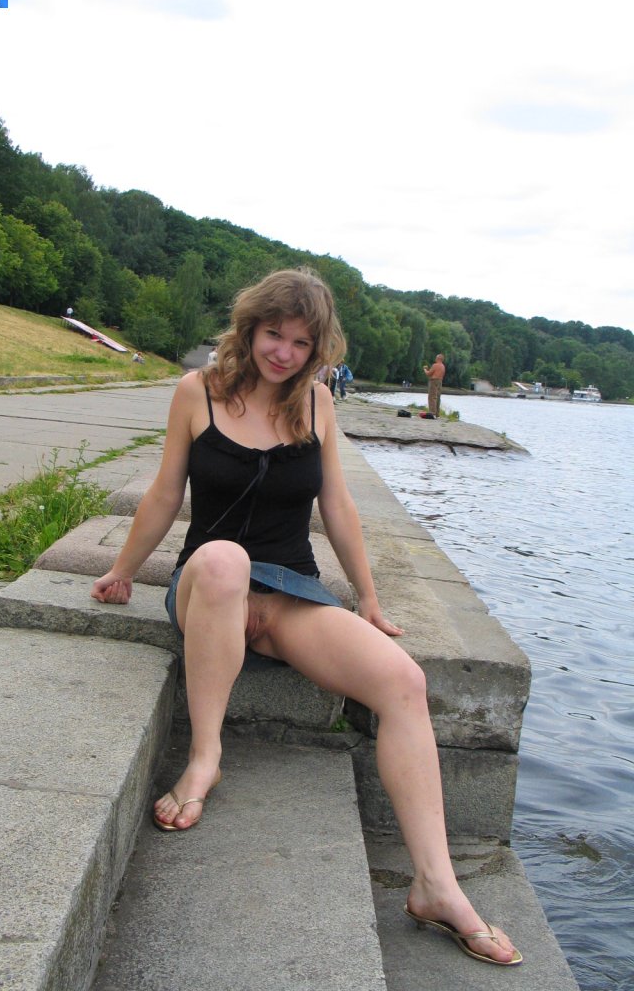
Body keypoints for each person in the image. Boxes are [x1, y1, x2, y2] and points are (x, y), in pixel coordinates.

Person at [90, 268, 521, 967]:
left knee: (404, 682)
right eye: (274, 335)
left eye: (300, 344)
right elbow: (167, 491)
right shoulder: (197, 391)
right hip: (210, 585)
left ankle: (436, 886)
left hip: (290, 591)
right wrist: (122, 570)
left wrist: (369, 599)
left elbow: (338, 506)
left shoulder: (318, 403)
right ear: (250, 328)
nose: (284, 353)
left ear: (318, 351)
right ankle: (205, 759)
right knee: (226, 559)